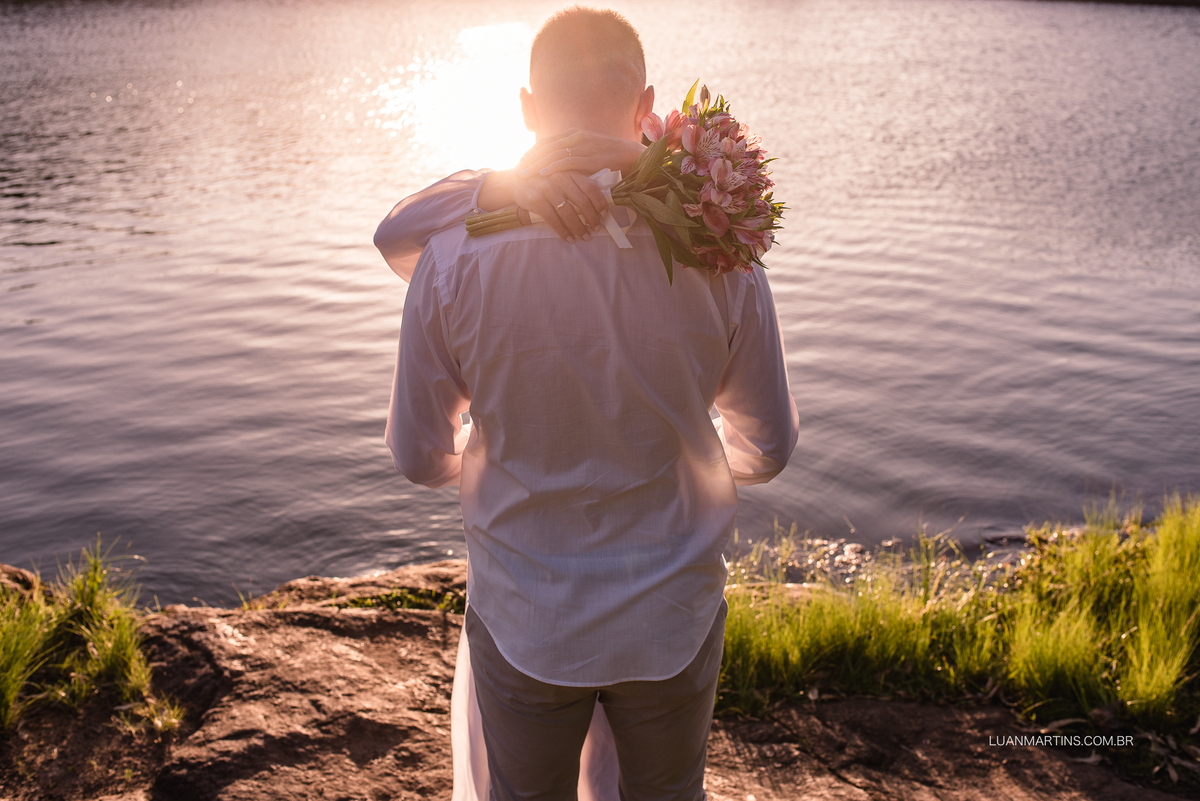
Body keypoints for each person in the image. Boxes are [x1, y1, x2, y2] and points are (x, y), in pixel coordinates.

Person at [382, 7, 798, 800]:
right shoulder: (722, 256)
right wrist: (689, 449)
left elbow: (417, 457)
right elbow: (769, 448)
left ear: (528, 109)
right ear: (647, 106)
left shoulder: (453, 258)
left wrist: (479, 451)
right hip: (671, 610)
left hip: (526, 611)